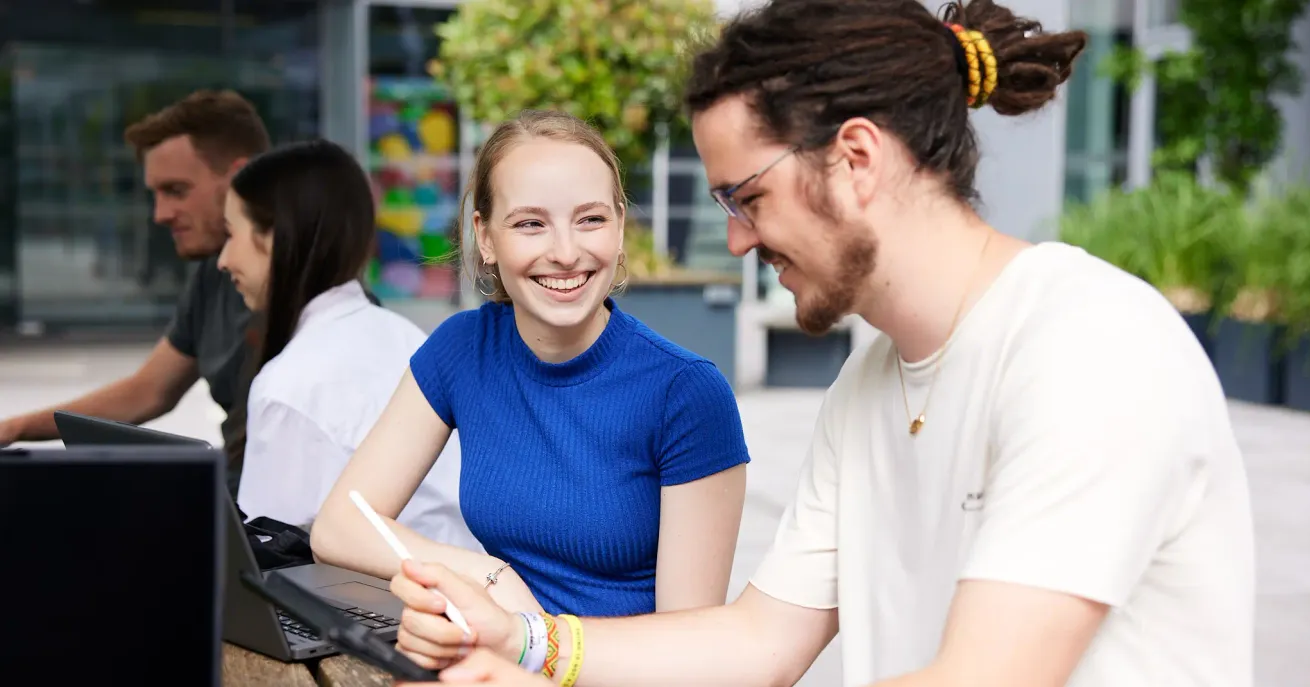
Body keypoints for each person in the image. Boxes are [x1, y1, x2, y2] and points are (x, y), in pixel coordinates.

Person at [383, 2, 1256, 686]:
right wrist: (524, 642)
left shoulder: (1090, 348)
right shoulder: (868, 384)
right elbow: (760, 643)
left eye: (746, 199)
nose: (735, 242)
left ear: (857, 159)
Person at [311, 110, 751, 620]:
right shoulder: (463, 348)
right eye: (530, 224)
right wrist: (484, 575)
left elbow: (687, 655)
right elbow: (340, 525)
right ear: (487, 238)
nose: (566, 252)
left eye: (590, 219)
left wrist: (540, 645)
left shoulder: (686, 392)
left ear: (620, 225)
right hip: (494, 660)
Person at [0, 91, 268, 490]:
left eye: (176, 190)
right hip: (233, 496)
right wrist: (14, 428)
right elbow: (148, 391)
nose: (159, 215)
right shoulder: (213, 270)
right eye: (155, 194)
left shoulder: (309, 288)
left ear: (238, 179)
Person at [218, 139, 478, 548]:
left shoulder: (289, 385)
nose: (223, 259)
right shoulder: (403, 335)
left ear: (273, 240)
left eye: (231, 234)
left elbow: (267, 560)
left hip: (377, 602)